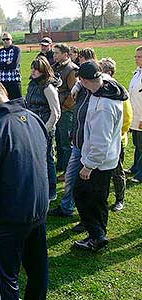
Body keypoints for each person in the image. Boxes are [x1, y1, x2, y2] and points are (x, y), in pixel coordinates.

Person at [0, 75, 49, 299]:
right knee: (37, 272)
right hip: (37, 211)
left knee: (3, 280)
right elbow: (46, 162)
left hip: (6, 220)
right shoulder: (33, 118)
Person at [73, 61, 126, 252]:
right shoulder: (106, 87)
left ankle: (97, 236)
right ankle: (97, 233)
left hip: (99, 162)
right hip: (108, 158)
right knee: (99, 199)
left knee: (84, 196)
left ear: (85, 80)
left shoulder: (103, 107)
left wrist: (88, 166)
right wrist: (79, 83)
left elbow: (100, 141)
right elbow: (101, 77)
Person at [48, 49, 97, 231]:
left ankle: (89, 222)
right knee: (71, 177)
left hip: (88, 144)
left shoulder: (98, 96)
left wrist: (64, 104)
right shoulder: (82, 88)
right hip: (78, 140)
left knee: (88, 185)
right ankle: (67, 207)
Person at [25, 56, 61, 201]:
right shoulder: (32, 84)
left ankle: (52, 190)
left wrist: (46, 129)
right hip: (33, 127)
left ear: (43, 71)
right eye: (33, 68)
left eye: (37, 69)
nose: (33, 71)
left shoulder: (48, 87)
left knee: (47, 158)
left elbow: (56, 112)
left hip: (45, 129)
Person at [99, 57, 133, 211]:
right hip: (104, 140)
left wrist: (118, 135)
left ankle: (120, 199)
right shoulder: (101, 89)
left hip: (117, 140)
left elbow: (127, 117)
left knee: (117, 171)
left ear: (109, 72)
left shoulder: (118, 91)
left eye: (101, 69)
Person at [53, 43, 79, 177]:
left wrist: (64, 108)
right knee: (58, 138)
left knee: (66, 141)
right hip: (57, 108)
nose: (54, 55)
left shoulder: (71, 70)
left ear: (66, 55)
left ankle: (69, 170)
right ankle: (61, 165)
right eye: (54, 53)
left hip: (65, 110)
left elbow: (73, 93)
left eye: (57, 53)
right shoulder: (56, 67)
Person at [0, 32, 22, 100]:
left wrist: (1, 64)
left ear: (11, 40)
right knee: (5, 102)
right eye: (3, 39)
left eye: (7, 39)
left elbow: (14, 65)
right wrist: (7, 63)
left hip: (14, 81)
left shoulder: (16, 50)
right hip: (3, 82)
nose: (5, 41)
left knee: (17, 103)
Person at [128, 46, 142, 183]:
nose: (136, 59)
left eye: (139, 57)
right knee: (137, 144)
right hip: (135, 115)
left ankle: (140, 174)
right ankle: (135, 167)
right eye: (135, 56)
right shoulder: (137, 73)